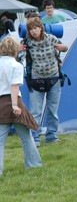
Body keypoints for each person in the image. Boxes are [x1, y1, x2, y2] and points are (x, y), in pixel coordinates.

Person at [0, 36, 42, 176]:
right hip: (14, 102)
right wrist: (14, 105)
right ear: (14, 50)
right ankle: (34, 166)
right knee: (26, 136)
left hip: (0, 103)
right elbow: (14, 86)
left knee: (0, 141)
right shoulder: (16, 66)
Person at [23, 16, 67, 146]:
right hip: (36, 79)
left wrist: (63, 47)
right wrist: (17, 50)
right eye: (31, 29)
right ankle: (34, 139)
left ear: (41, 28)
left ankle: (52, 137)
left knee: (52, 111)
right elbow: (10, 52)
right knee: (35, 111)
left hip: (53, 77)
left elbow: (64, 47)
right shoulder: (27, 43)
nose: (33, 31)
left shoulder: (51, 38)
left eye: (35, 28)